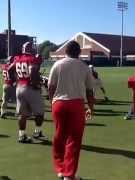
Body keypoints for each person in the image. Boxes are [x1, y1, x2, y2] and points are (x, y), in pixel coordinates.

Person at [48, 41, 95, 180]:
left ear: (65, 52)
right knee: (74, 140)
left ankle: (61, 169)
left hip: (59, 103)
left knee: (59, 136)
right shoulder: (85, 67)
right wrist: (91, 107)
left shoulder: (57, 64)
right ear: (79, 52)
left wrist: (53, 102)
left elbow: (50, 87)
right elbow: (90, 91)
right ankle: (69, 175)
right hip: (77, 104)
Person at [8, 42, 46, 143]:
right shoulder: (32, 59)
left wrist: (14, 81)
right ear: (31, 49)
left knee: (22, 114)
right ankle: (37, 132)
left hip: (19, 88)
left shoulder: (17, 58)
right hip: (30, 88)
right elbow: (32, 70)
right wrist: (36, 84)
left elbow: (9, 70)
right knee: (40, 112)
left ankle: (22, 135)